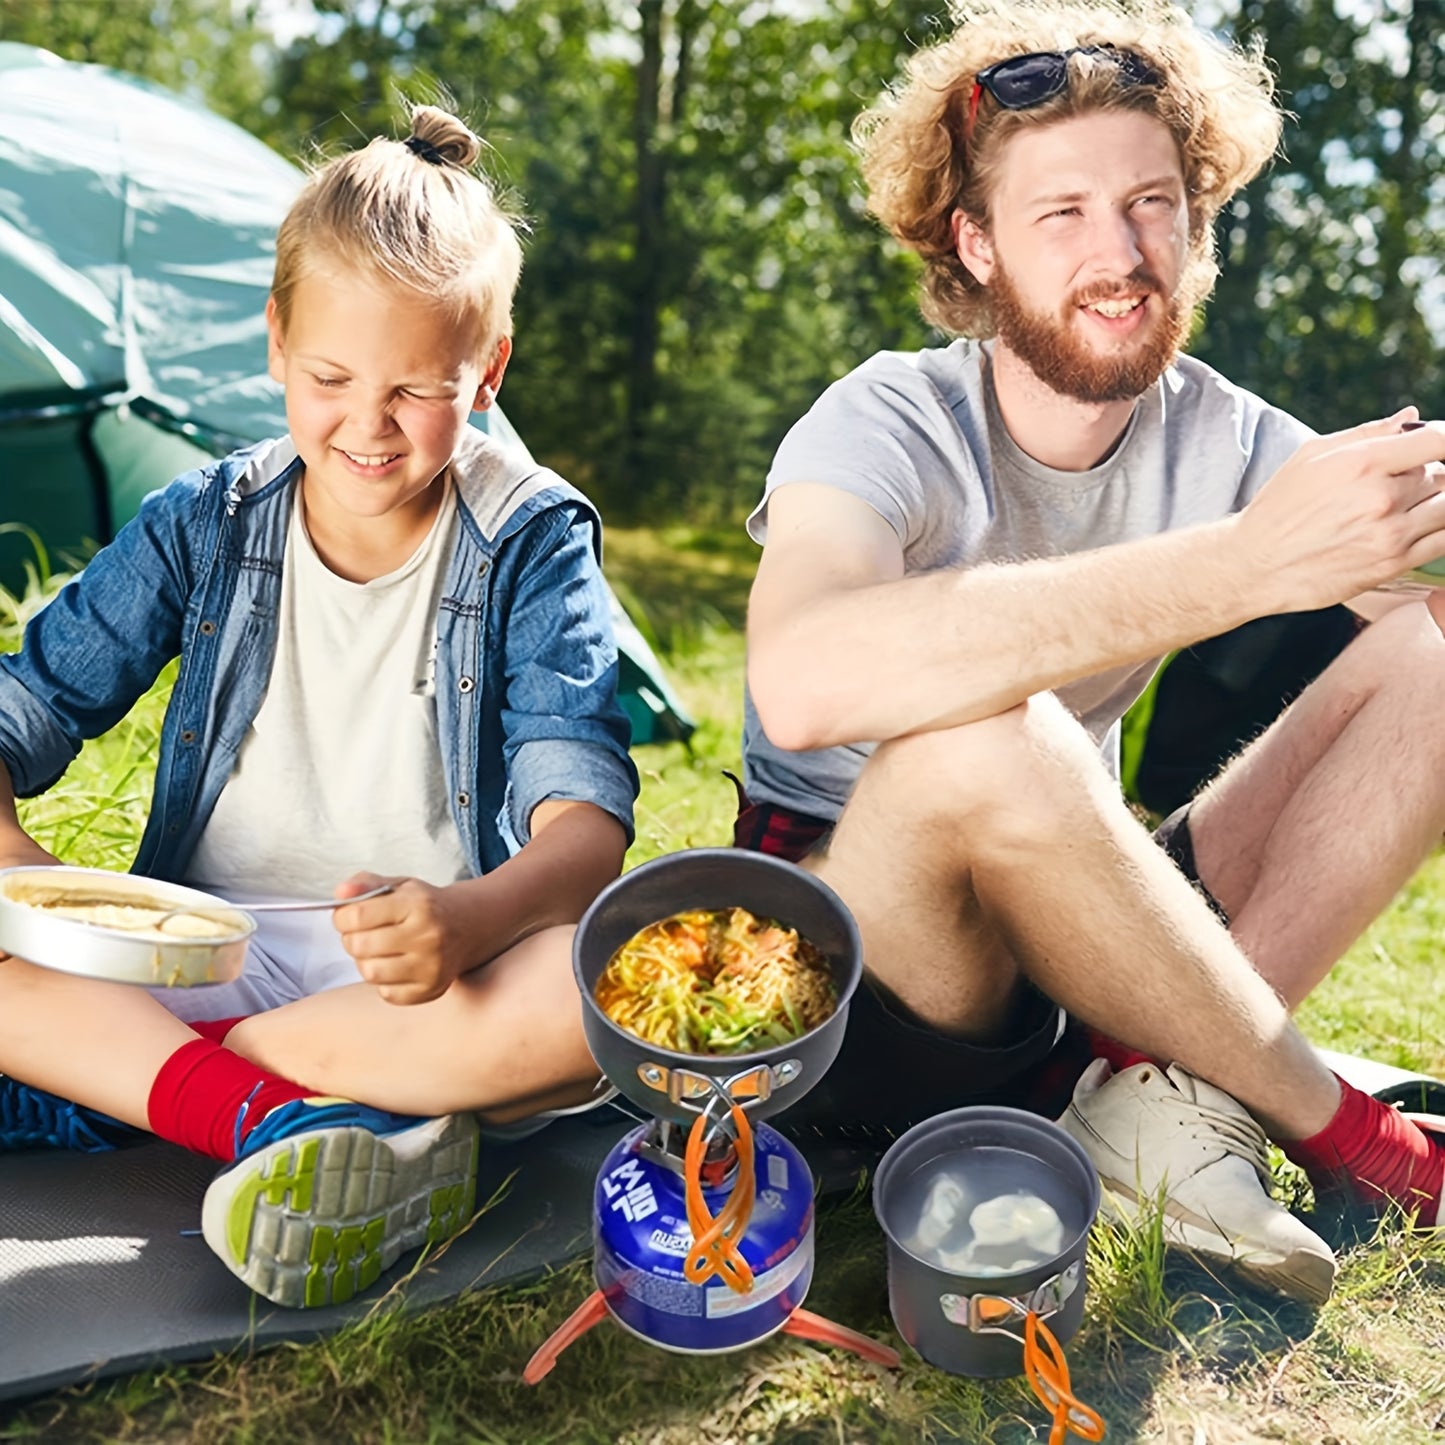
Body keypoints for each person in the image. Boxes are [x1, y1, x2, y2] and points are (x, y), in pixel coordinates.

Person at [736, 0, 1445, 1307]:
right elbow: (803, 673)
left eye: (1154, 203)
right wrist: (1240, 564)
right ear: (977, 242)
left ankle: (1150, 1094)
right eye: (1060, 212)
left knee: (1432, 667)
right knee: (993, 734)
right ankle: (1338, 1127)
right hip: (865, 958)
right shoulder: (884, 420)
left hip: (1080, 938)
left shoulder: (1229, 436)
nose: (1121, 254)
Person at [0, 106, 638, 1309]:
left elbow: (587, 832)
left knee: (591, 984)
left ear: (486, 370)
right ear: (277, 344)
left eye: (416, 389)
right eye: (332, 378)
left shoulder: (531, 538)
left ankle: (186, 1092)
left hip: (413, 991)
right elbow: (20, 705)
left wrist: (464, 915)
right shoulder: (209, 519)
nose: (367, 424)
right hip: (204, 952)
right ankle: (306, 1123)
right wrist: (24, 870)